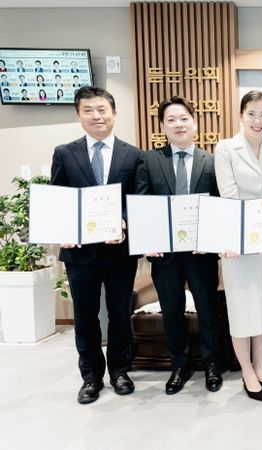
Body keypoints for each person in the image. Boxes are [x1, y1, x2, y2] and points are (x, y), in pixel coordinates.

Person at [50, 86, 141, 404]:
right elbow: (58, 197)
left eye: (102, 110)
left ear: (114, 113)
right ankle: (90, 377)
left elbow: (137, 198)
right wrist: (64, 229)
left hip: (119, 250)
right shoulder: (65, 152)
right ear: (78, 115)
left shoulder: (133, 154)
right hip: (80, 252)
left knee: (120, 314)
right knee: (85, 316)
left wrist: (125, 220)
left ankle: (120, 371)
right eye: (88, 110)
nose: (96, 116)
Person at [135, 96, 223, 395]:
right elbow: (142, 202)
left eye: (184, 118)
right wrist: (146, 240)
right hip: (165, 254)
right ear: (162, 126)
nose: (178, 124)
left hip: (202, 253)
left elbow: (220, 206)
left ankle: (212, 364)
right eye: (171, 120)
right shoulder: (149, 160)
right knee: (171, 312)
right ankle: (180, 366)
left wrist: (213, 239)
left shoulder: (212, 161)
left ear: (194, 122)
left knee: (208, 310)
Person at [215, 90, 262, 402]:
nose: (258, 120)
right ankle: (246, 371)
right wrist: (245, 237)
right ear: (241, 116)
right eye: (252, 113)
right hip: (237, 245)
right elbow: (229, 196)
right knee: (243, 308)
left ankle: (261, 368)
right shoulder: (226, 149)